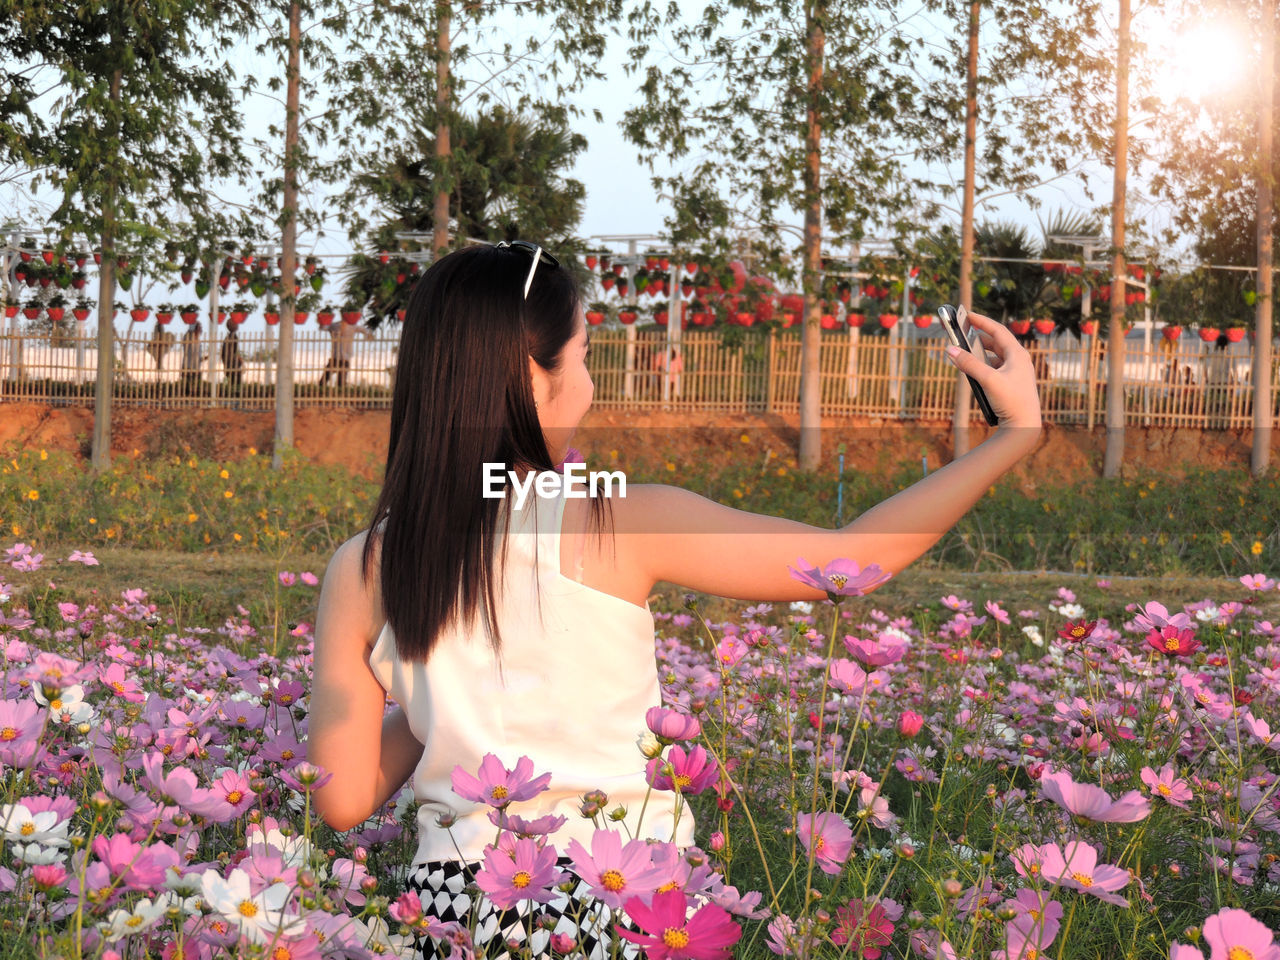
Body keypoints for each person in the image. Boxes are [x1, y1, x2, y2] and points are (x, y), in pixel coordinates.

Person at [306, 243, 1042, 959]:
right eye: (585, 357)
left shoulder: (363, 566)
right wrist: (1015, 433)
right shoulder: (619, 517)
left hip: (451, 917)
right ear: (533, 380)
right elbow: (851, 560)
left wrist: (440, 694)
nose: (591, 386)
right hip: (626, 907)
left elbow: (341, 801)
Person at [179, 323, 203, 395]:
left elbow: (198, 355)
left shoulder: (198, 341)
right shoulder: (188, 338)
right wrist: (191, 326)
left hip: (196, 367)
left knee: (196, 389)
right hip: (188, 366)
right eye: (199, 328)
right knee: (186, 389)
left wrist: (203, 358)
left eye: (200, 328)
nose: (200, 330)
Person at [220, 325, 244, 390]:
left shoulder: (227, 338)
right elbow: (234, 352)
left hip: (228, 365)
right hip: (233, 365)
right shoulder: (234, 337)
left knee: (230, 385)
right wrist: (240, 360)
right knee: (237, 385)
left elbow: (223, 354)